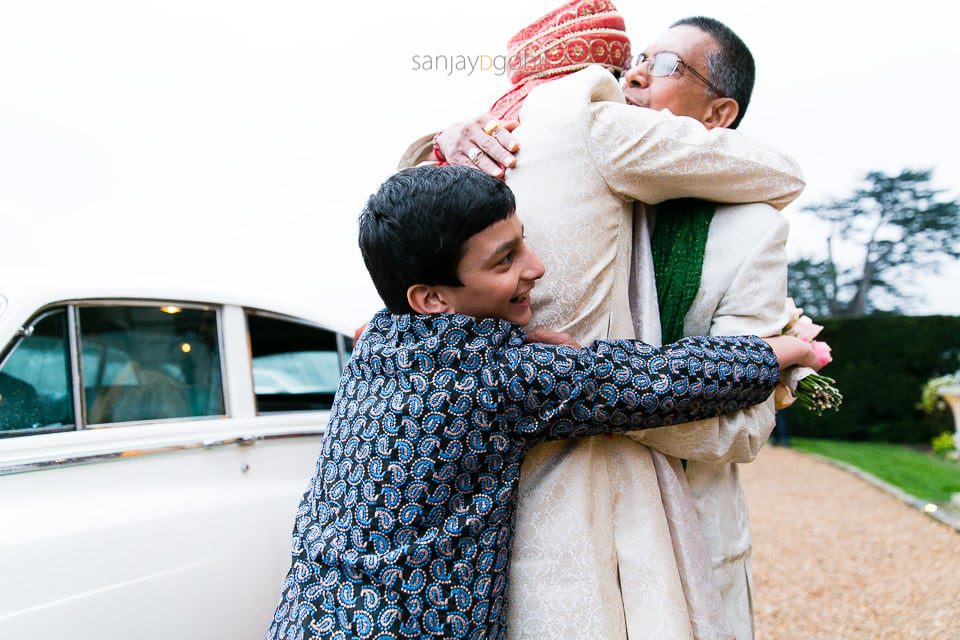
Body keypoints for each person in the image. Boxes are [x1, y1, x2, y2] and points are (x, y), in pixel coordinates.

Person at [266, 165, 819, 640]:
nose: (537, 266)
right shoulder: (500, 378)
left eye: (523, 241)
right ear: (431, 298)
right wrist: (778, 351)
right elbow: (656, 381)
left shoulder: (376, 345)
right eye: (505, 260)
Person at [398, 1, 804, 637]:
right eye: (635, 59)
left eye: (664, 65)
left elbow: (743, 428)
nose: (634, 75)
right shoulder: (555, 171)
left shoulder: (749, 231)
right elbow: (427, 248)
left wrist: (587, 391)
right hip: (537, 542)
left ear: (719, 116)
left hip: (690, 533)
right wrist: (440, 144)